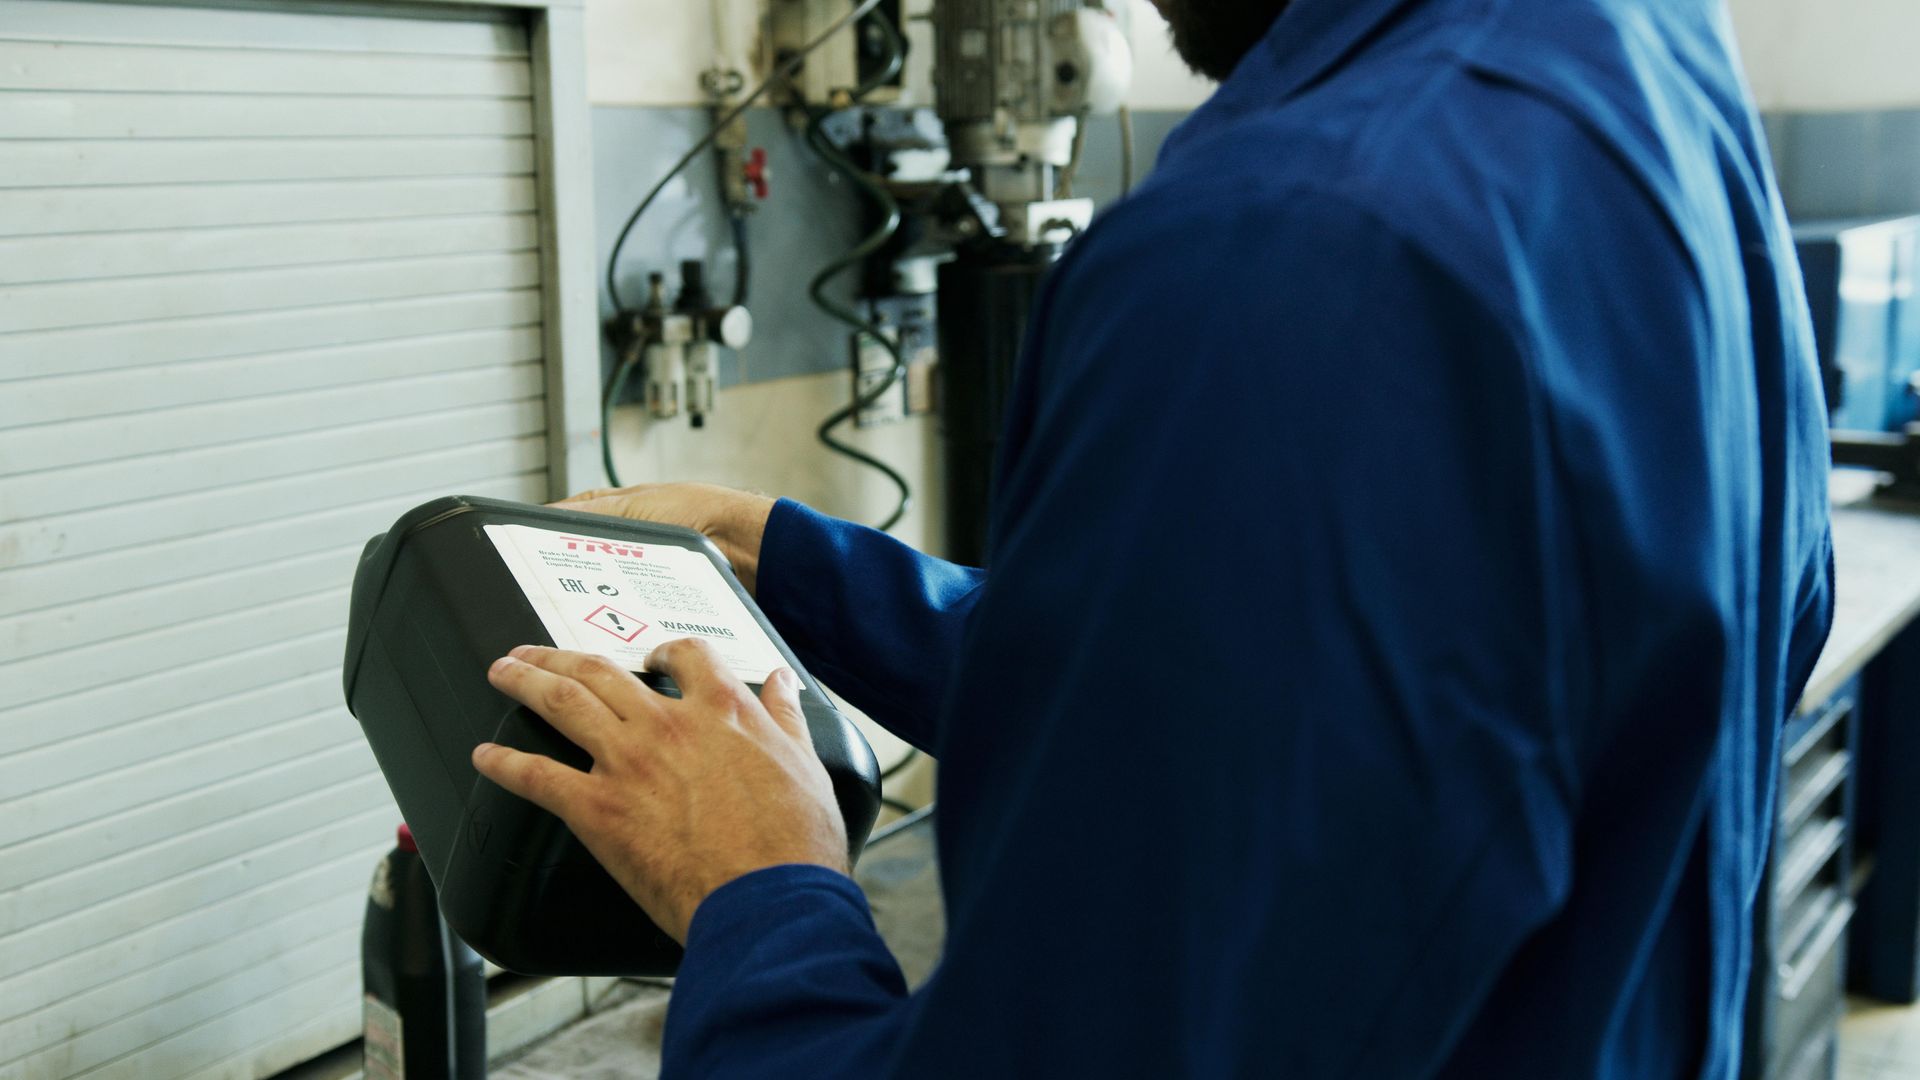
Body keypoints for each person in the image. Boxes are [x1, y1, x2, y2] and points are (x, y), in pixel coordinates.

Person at [471, 0, 1835, 1074]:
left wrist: (757, 889)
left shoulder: (1303, 243)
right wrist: (793, 554)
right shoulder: (1639, 106)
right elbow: (1338, 706)